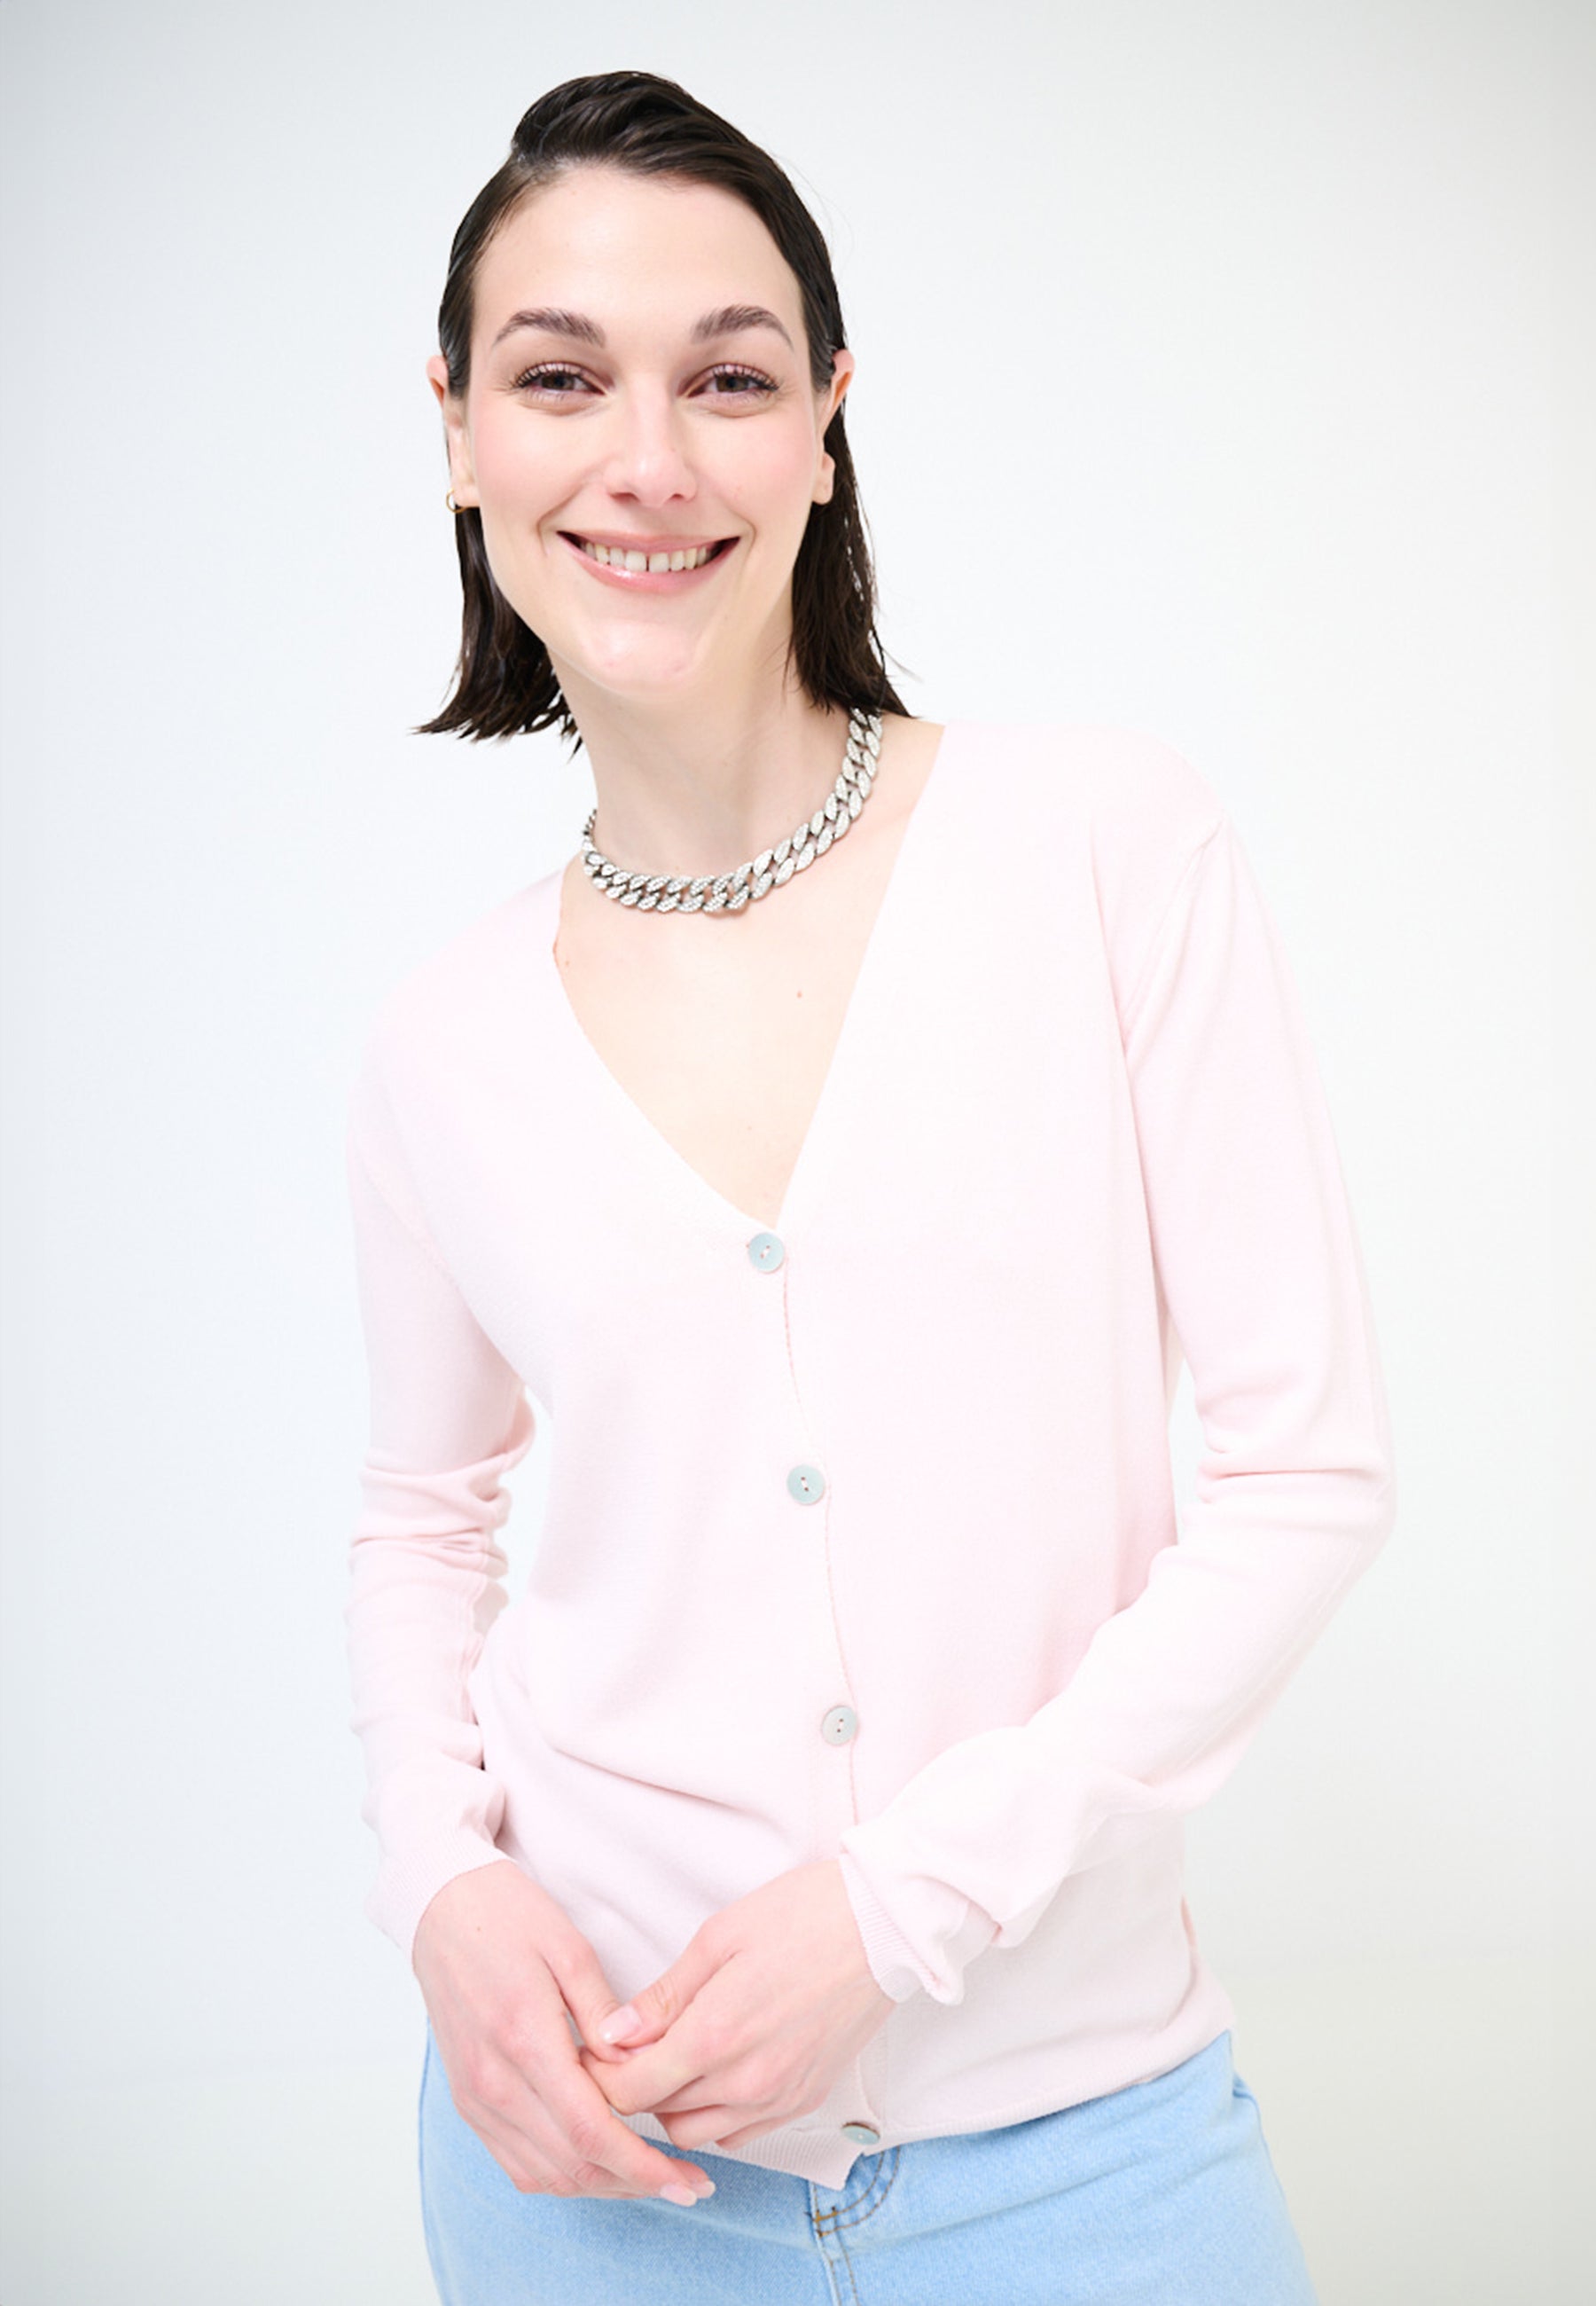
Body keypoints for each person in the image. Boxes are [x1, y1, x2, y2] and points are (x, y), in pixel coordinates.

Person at [343, 67, 1396, 2306]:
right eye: (560, 378)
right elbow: (422, 1522)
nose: (647, 458)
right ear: (459, 435)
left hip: (1081, 2156)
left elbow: (1308, 1478)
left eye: (728, 379)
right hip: (576, 2165)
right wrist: (441, 1883)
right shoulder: (442, 1038)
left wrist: (894, 1912)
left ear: (826, 425)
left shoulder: (1104, 847)